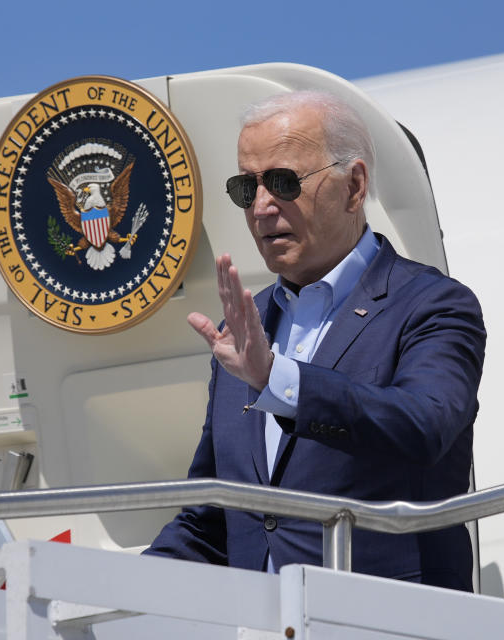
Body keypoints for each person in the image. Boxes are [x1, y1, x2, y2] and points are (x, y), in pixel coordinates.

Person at [144, 90, 485, 591]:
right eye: (246, 187)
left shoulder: (432, 304)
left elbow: (425, 426)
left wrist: (277, 381)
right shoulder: (246, 325)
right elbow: (213, 521)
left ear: (353, 186)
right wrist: (91, 587)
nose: (261, 207)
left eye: (283, 182)